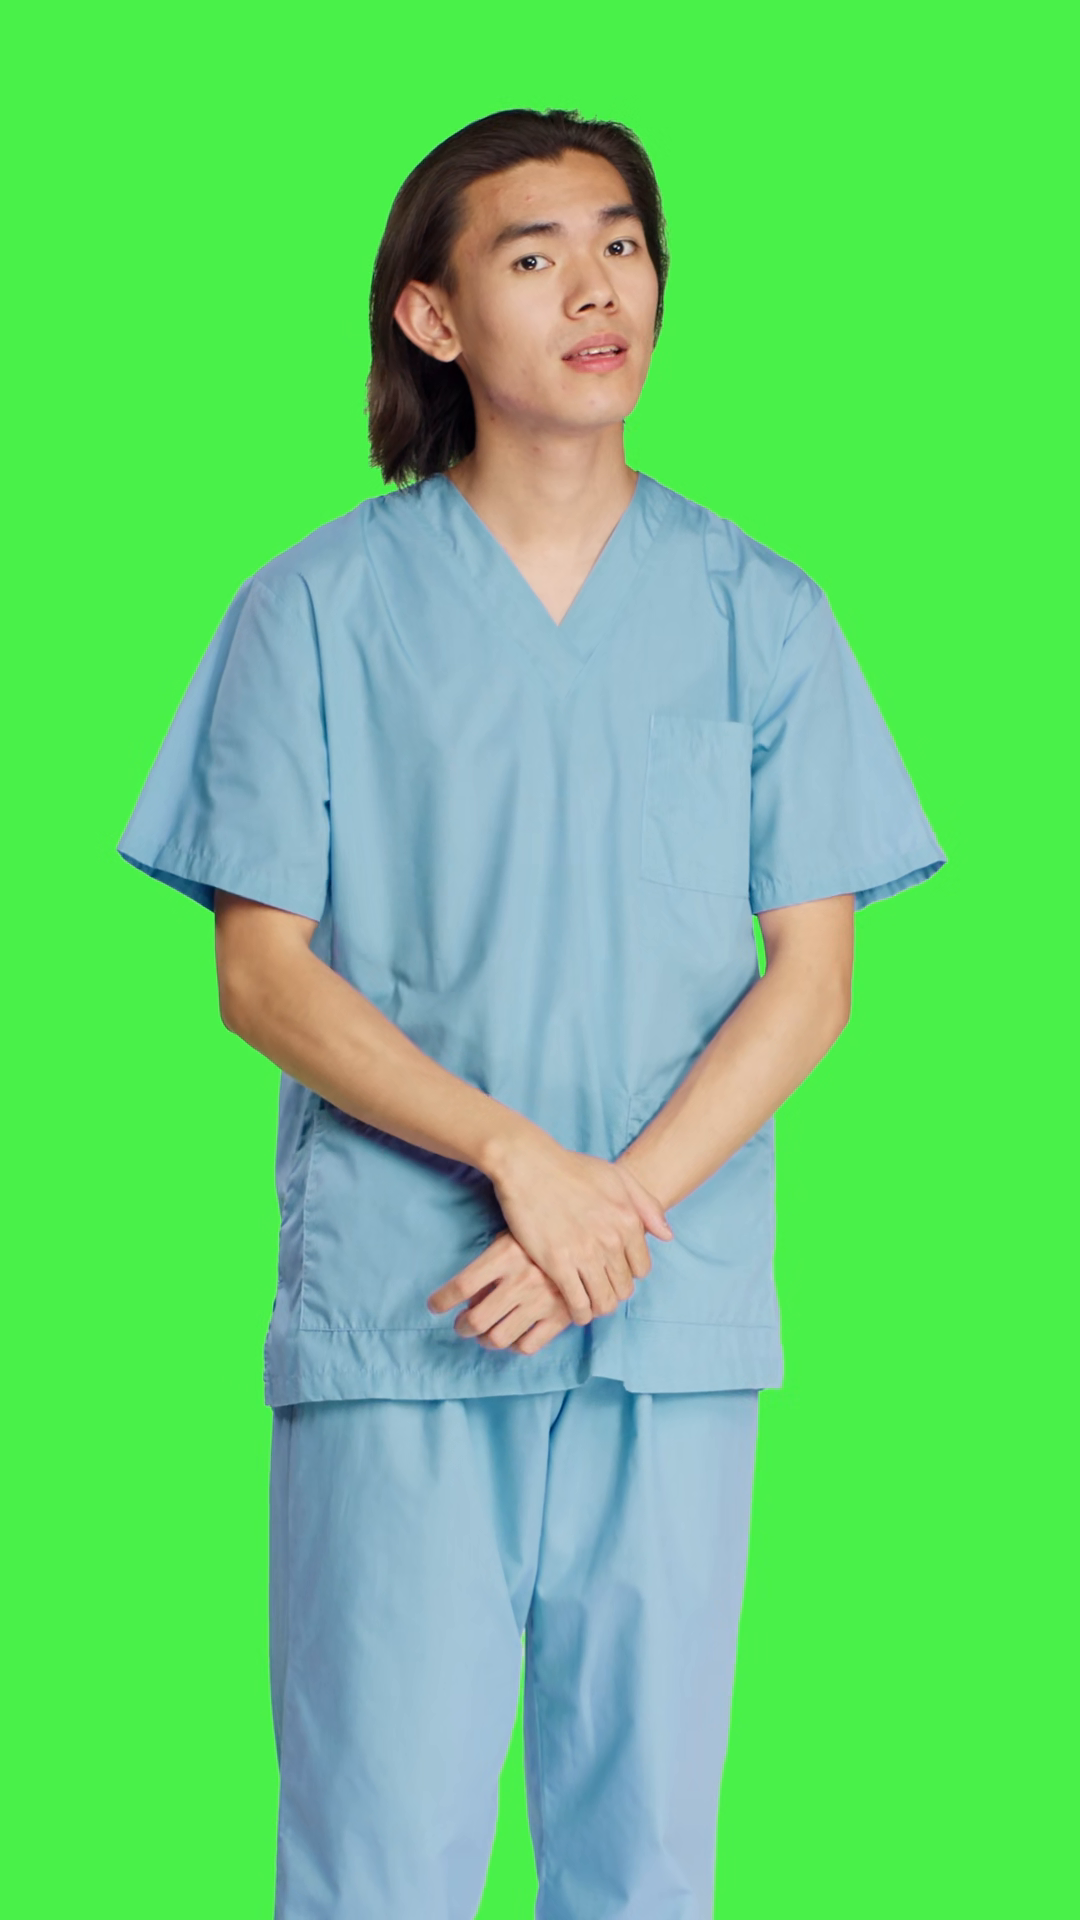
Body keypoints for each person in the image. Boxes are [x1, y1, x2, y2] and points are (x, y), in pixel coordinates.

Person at [116, 107, 946, 1920]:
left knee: (646, 1865)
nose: (597, 288)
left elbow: (812, 980)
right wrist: (518, 1163)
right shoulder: (313, 613)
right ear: (431, 318)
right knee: (377, 1861)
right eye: (535, 253)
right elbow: (262, 972)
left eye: (623, 245)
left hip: (666, 1311)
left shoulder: (762, 615)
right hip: (411, 1310)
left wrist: (608, 1210)